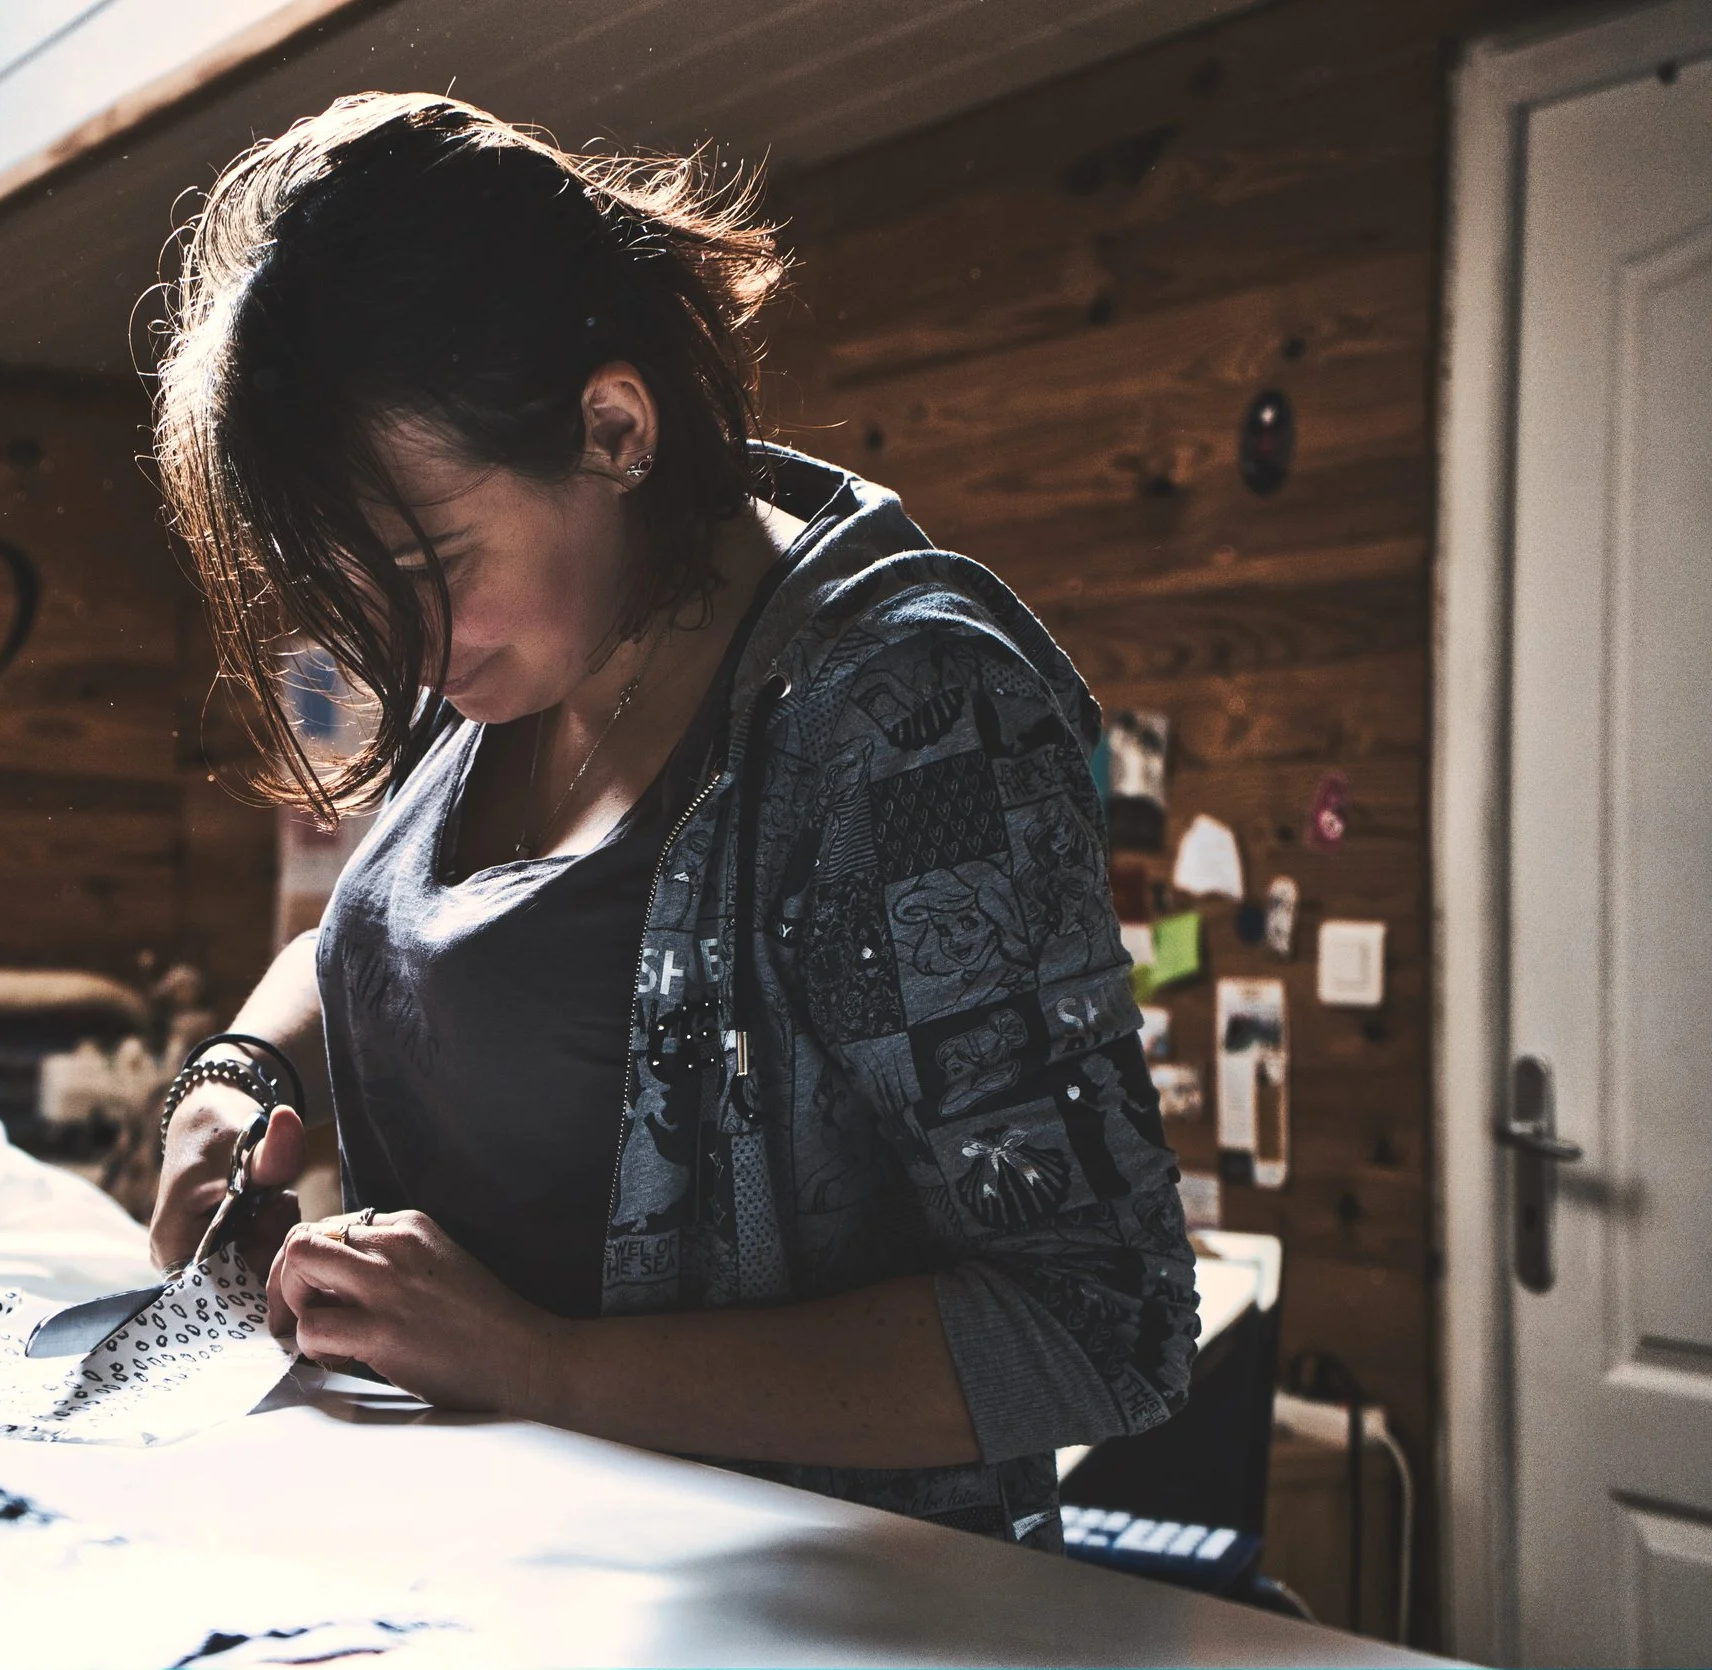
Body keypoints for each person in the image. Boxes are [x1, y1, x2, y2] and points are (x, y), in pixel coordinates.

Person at [147, 92, 1196, 1549]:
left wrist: (541, 1366)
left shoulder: (905, 715)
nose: (385, 637)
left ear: (614, 427)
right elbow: (384, 934)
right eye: (344, 585)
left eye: (424, 561)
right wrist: (241, 1066)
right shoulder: (513, 646)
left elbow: (1099, 1320)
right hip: (466, 1582)